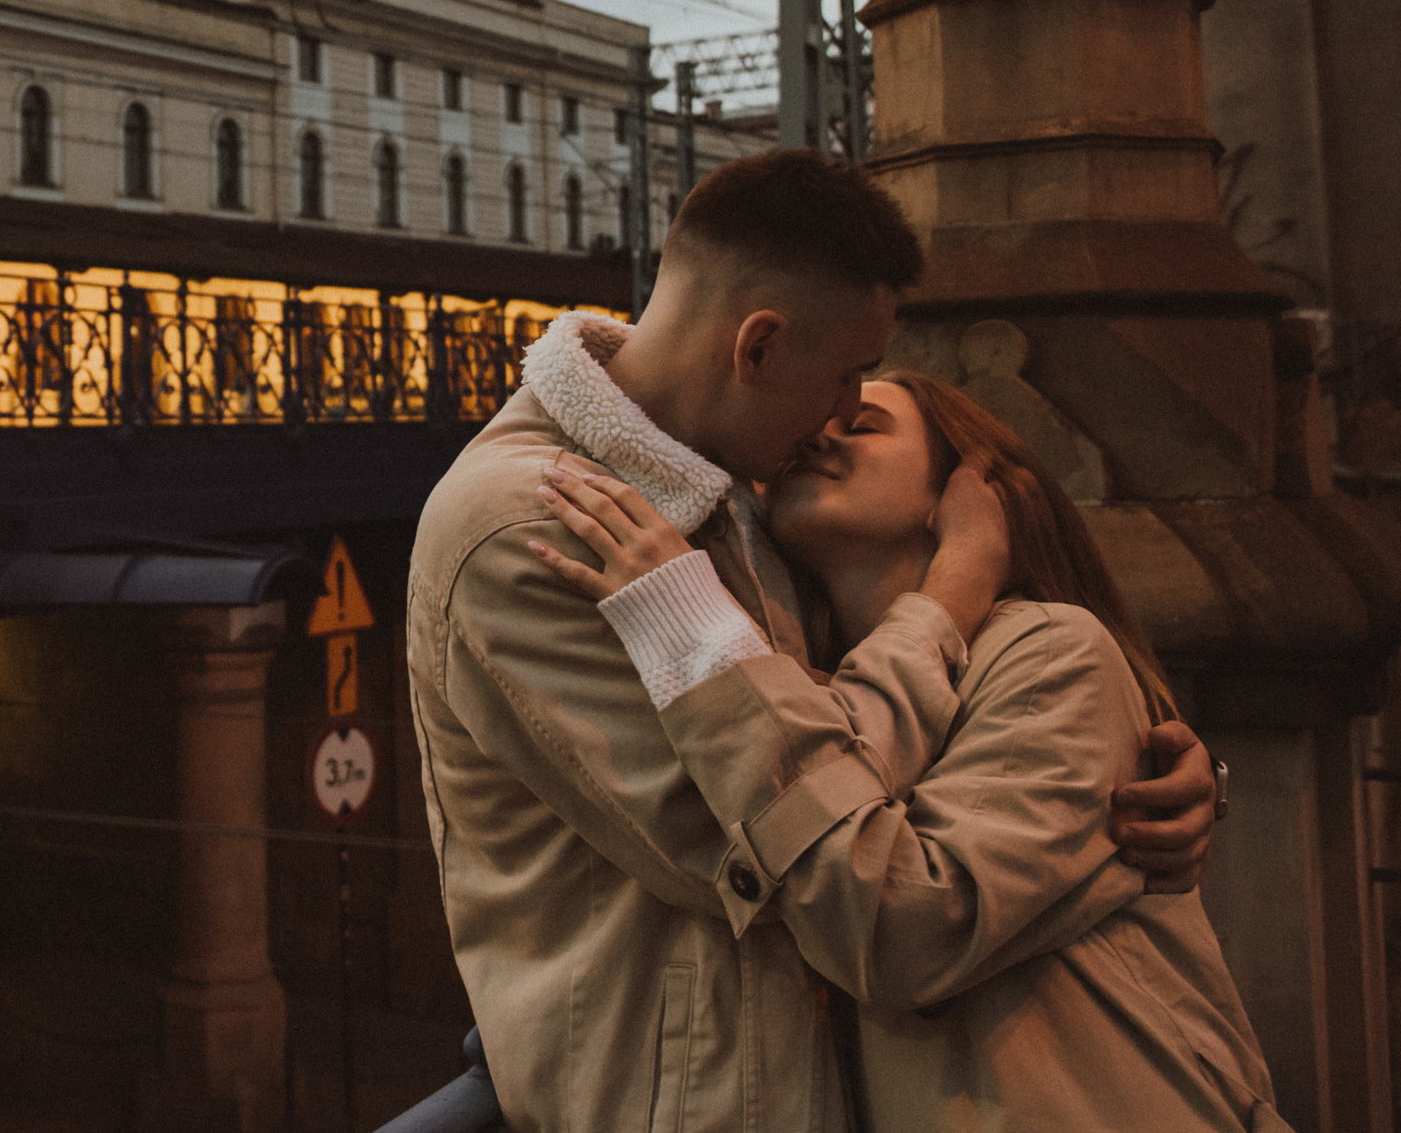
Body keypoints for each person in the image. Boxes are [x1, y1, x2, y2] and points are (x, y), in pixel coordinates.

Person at [405, 150, 1215, 1133]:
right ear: (757, 347)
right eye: (844, 376)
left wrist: (1137, 767)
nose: (840, 411)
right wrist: (945, 602)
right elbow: (803, 847)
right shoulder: (541, 526)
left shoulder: (734, 500)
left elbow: (836, 754)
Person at [529, 371, 1284, 1131]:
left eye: (863, 426)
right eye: (810, 427)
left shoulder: (1050, 646)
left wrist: (695, 638)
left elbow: (899, 932)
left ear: (967, 497)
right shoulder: (814, 682)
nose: (818, 436)